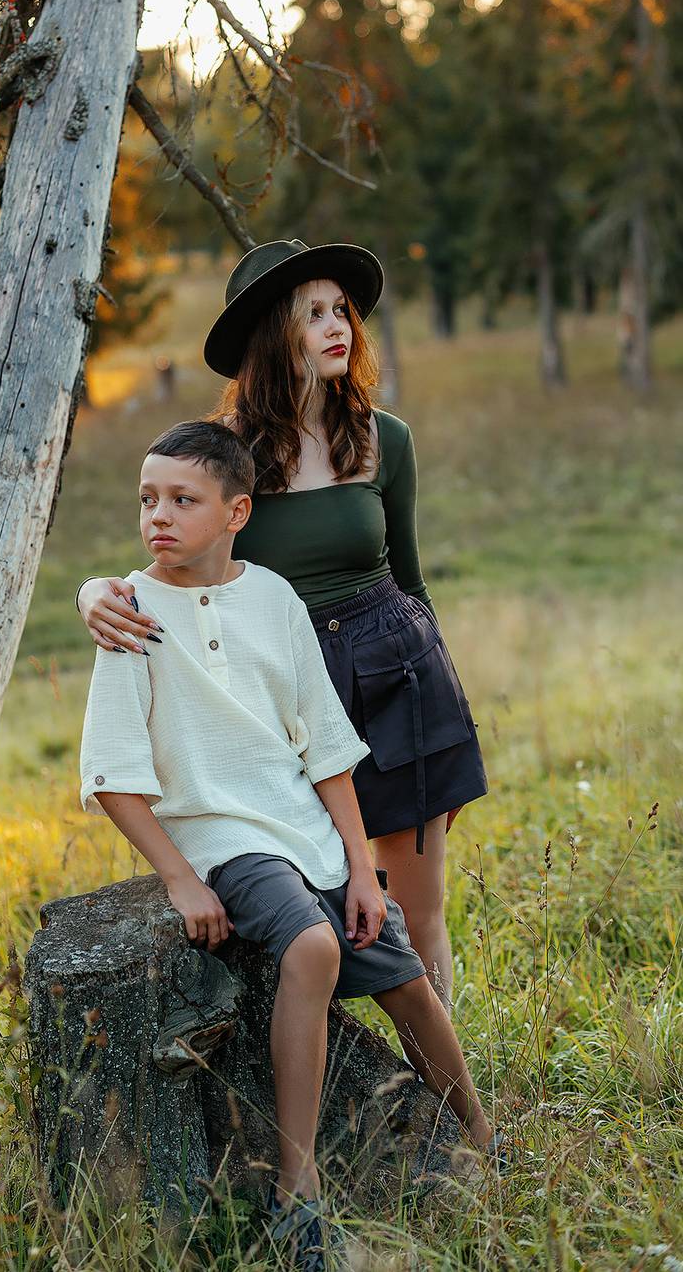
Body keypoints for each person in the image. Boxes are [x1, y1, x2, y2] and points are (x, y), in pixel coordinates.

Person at [78, 419, 496, 1269]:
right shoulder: (129, 616)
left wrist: (359, 869)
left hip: (304, 826)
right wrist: (180, 880)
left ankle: (483, 1139)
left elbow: (327, 748)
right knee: (311, 946)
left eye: (182, 500)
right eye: (148, 499)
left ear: (237, 513)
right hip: (222, 836)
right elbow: (112, 775)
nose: (158, 517)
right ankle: (296, 1195)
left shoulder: (273, 598)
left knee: (407, 978)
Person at [75, 239, 488, 1010]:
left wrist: (445, 713)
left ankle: (436, 1077)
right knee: (310, 896)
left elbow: (410, 578)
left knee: (411, 911)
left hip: (399, 677)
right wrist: (93, 591)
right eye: (314, 314)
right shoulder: (229, 453)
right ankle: (323, 1064)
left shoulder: (385, 438)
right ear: (273, 334)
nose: (339, 328)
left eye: (342, 312)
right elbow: (174, 550)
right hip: (284, 694)